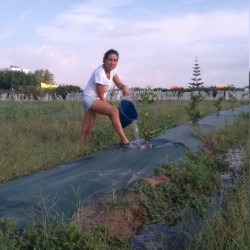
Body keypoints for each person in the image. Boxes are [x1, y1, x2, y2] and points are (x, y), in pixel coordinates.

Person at [80, 49, 130, 146]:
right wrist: (110, 110)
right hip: (90, 98)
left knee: (88, 124)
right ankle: (125, 140)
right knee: (114, 111)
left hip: (96, 98)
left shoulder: (113, 71)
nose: (112, 62)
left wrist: (124, 87)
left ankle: (79, 146)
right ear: (105, 60)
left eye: (115, 60)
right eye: (110, 60)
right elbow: (101, 96)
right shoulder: (100, 73)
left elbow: (119, 84)